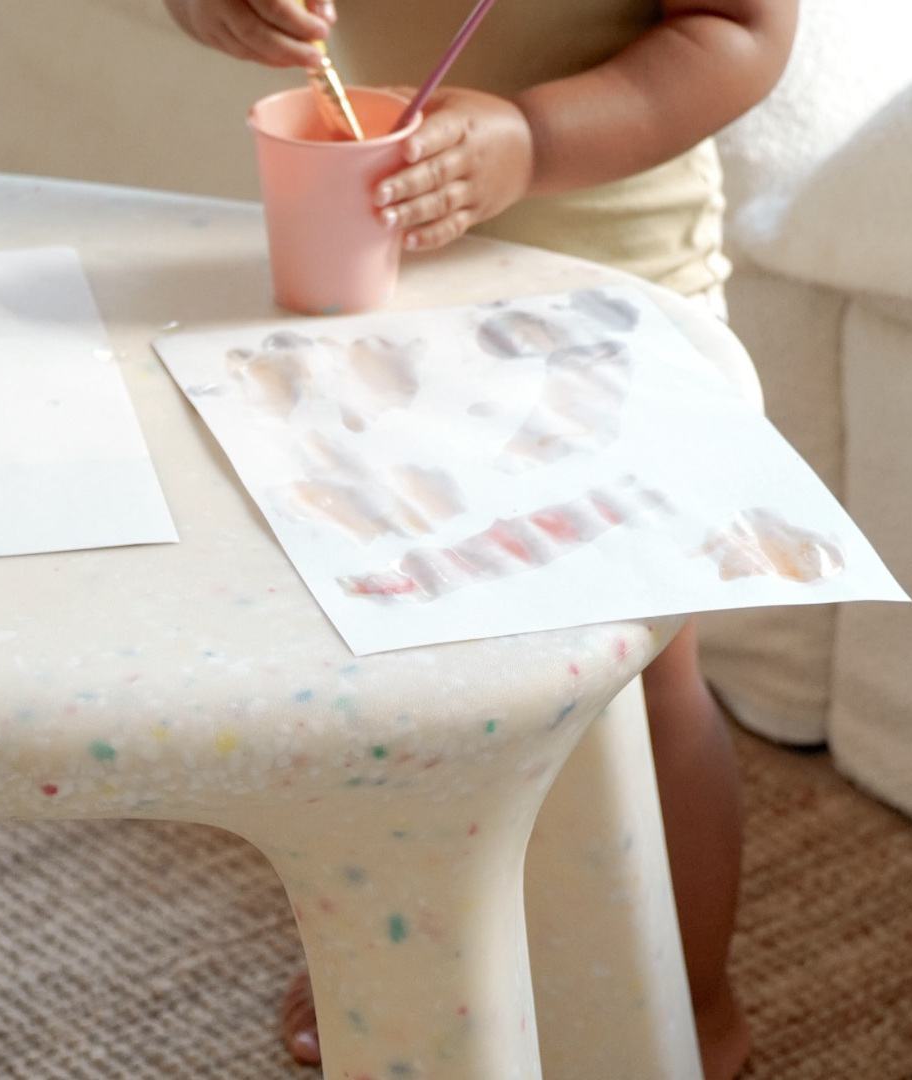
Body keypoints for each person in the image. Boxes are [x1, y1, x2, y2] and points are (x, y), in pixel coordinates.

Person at [162, 2, 798, 1076]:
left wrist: (534, 139)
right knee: (386, 665)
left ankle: (685, 995)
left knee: (638, 679)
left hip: (614, 305)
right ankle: (398, 959)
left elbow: (741, 34)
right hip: (393, 285)